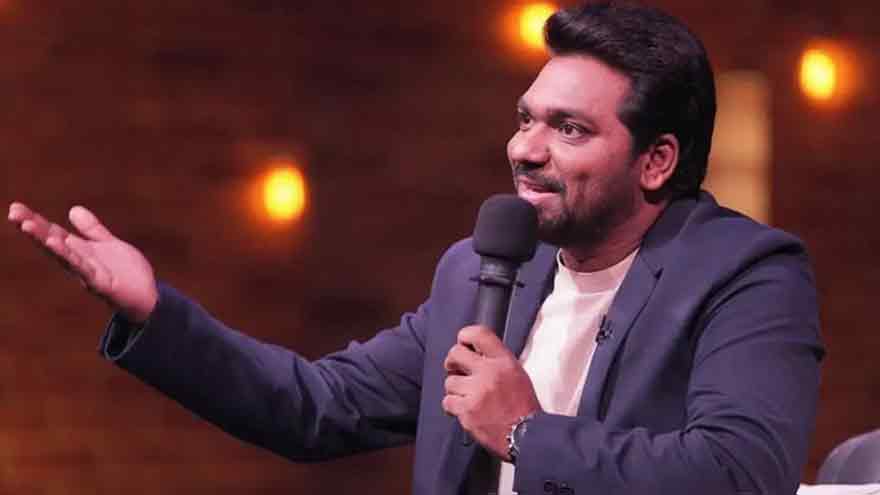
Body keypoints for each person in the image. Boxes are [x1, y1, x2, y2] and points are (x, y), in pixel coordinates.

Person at [8, 2, 823, 494]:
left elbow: (740, 472)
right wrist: (155, 313)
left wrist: (526, 433)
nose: (526, 149)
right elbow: (315, 405)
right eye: (526, 118)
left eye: (569, 129)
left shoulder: (743, 274)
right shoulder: (479, 271)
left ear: (657, 161)